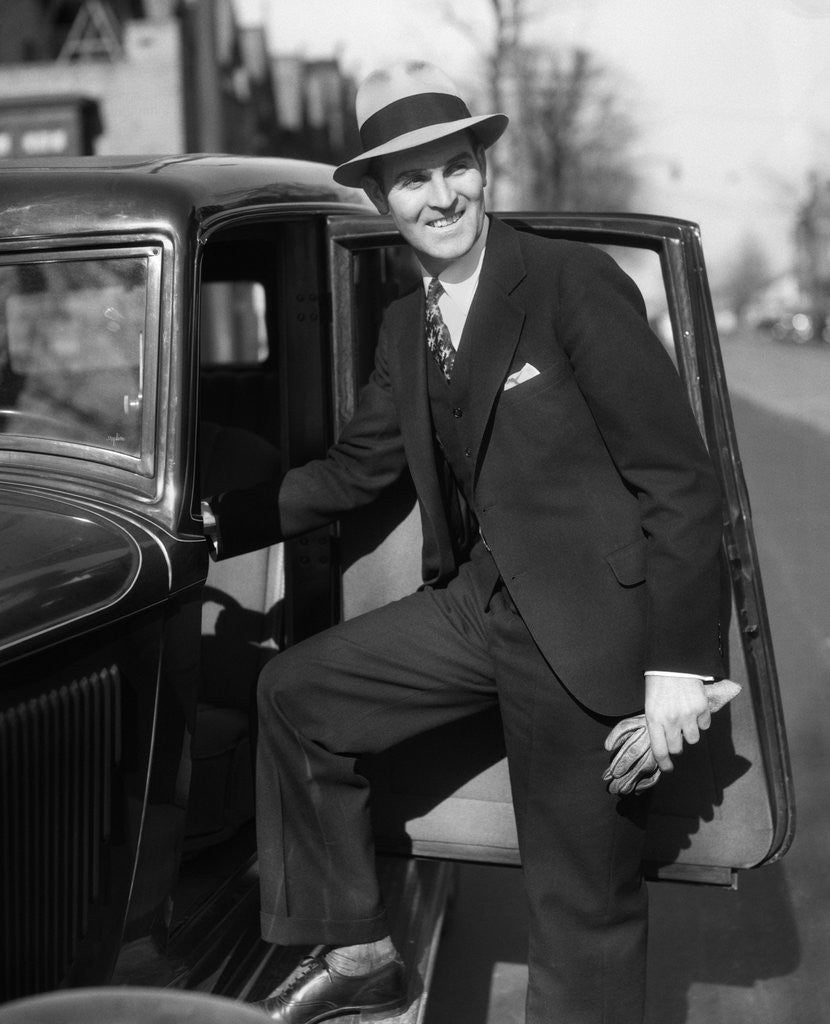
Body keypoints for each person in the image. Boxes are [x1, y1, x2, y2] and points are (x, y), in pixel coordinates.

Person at [207, 60, 724, 1024]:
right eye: (412, 179)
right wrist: (211, 521)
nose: (440, 196)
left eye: (455, 167)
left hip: (591, 625)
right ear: (380, 199)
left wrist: (677, 668)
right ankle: (359, 950)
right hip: (479, 606)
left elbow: (680, 481)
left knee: (580, 907)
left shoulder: (571, 283)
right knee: (295, 694)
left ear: (484, 171)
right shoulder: (405, 327)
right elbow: (356, 472)